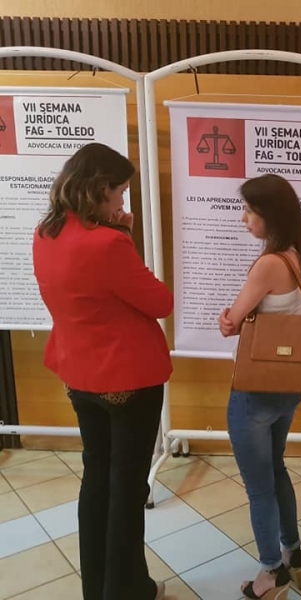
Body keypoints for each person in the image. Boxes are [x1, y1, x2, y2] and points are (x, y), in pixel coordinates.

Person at [32, 143, 173, 600]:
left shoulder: (46, 233)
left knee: (96, 480)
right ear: (98, 189)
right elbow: (160, 301)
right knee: (127, 490)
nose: (122, 201)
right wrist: (124, 239)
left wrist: (118, 234)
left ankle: (100, 588)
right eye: (120, 191)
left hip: (79, 375)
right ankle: (124, 591)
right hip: (128, 378)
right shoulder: (109, 243)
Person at [218, 174, 301, 600]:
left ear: (270, 215)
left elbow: (232, 322)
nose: (244, 219)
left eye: (249, 211)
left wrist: (228, 318)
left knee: (259, 486)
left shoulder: (269, 264)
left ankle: (271, 572)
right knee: (276, 469)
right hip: (289, 387)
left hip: (255, 390)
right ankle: (293, 550)